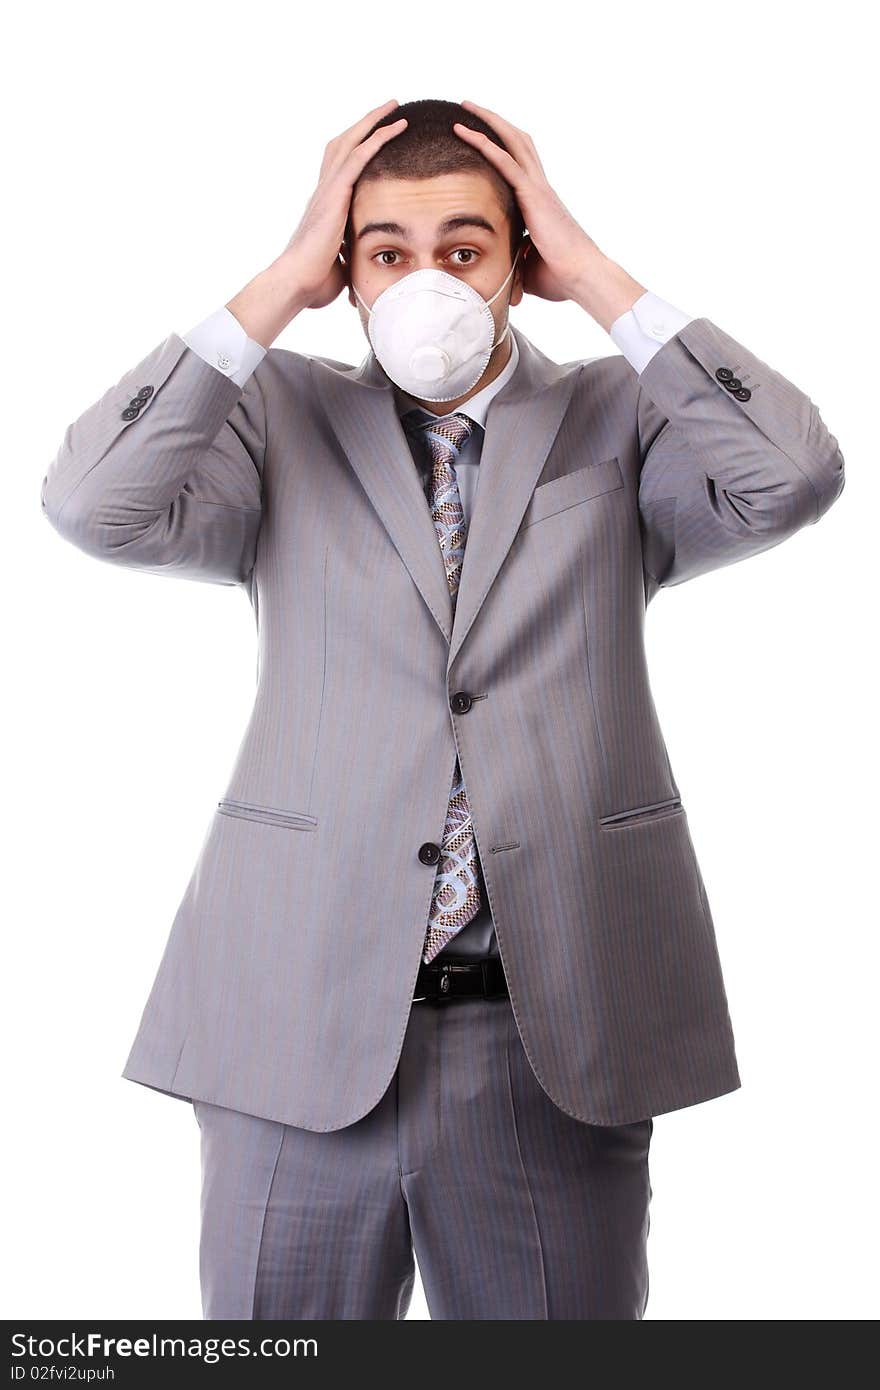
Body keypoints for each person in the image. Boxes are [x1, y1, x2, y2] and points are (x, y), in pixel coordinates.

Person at [40, 97, 846, 1320]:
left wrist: (593, 271)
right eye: (386, 253)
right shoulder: (275, 418)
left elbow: (790, 476)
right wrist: (277, 282)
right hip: (292, 1028)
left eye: (464, 249)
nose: (428, 280)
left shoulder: (618, 421)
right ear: (345, 273)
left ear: (516, 264)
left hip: (549, 1037)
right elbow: (93, 505)